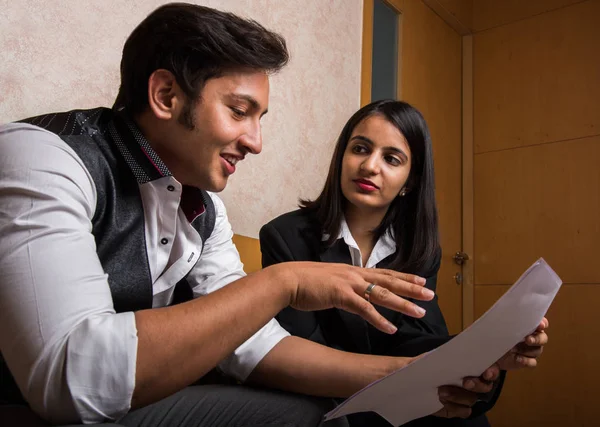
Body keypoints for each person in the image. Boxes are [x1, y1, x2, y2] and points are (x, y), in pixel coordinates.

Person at [0, 4, 514, 427]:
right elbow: (69, 381)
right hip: (47, 408)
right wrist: (282, 283)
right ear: (165, 95)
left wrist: (407, 373)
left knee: (324, 415)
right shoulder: (44, 157)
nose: (256, 142)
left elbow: (254, 347)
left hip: (141, 401)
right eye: (240, 111)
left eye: (260, 118)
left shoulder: (206, 210)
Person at [260, 100, 549, 426]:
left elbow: (417, 337)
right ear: (342, 157)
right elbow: (300, 349)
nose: (369, 166)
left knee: (464, 417)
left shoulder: (420, 251)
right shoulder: (284, 237)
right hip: (325, 392)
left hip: (394, 390)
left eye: (391, 159)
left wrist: (490, 352)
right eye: (360, 149)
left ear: (409, 183)